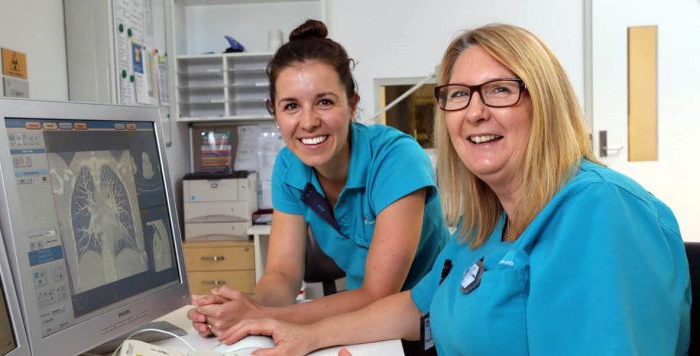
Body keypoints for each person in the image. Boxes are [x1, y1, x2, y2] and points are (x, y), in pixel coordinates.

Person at [216, 23, 691, 355]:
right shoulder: (485, 222)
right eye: (459, 94)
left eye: (500, 90)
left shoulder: (600, 212)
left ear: (546, 100)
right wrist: (302, 335)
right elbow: (412, 306)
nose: (475, 111)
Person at [187, 18, 448, 344]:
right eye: (291, 106)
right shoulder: (288, 166)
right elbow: (282, 275)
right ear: (276, 114)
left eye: (324, 102)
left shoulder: (397, 159)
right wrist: (239, 308)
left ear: (352, 105)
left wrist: (259, 316)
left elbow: (377, 294)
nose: (308, 122)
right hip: (359, 325)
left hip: (430, 325)